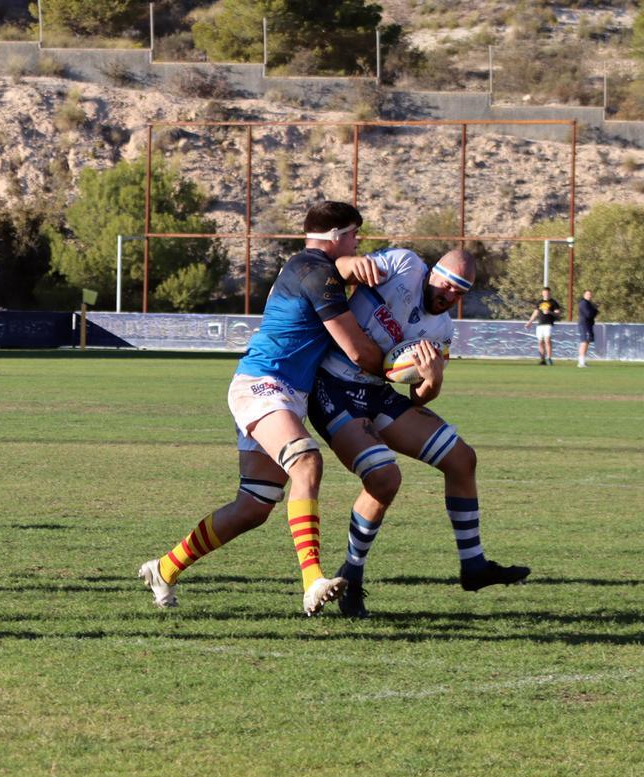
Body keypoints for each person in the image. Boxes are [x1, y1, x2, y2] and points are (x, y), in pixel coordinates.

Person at [138, 201, 385, 616]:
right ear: (339, 235)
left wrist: (353, 269)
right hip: (263, 384)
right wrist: (406, 364)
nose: (359, 243)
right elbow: (359, 352)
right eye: (356, 235)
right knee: (306, 462)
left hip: (278, 390)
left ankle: (164, 569)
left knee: (253, 506)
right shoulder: (315, 271)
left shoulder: (312, 267)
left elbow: (336, 274)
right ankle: (312, 581)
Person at [307, 248, 531, 618]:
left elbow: (418, 394)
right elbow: (341, 271)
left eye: (461, 292)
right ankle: (352, 574)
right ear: (433, 272)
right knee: (383, 478)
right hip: (332, 385)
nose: (451, 297)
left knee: (462, 458)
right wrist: (350, 264)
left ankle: (473, 565)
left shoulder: (442, 329)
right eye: (448, 285)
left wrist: (433, 378)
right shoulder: (404, 265)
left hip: (377, 392)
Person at [525, 286, 563, 365]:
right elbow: (535, 313)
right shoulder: (539, 302)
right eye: (544, 292)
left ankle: (549, 358)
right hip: (540, 324)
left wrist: (550, 312)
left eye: (547, 293)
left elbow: (558, 314)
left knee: (547, 341)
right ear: (542, 293)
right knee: (540, 342)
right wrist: (530, 322)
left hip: (548, 324)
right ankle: (542, 360)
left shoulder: (553, 302)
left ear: (550, 293)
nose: (546, 294)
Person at [577, 289, 598, 368]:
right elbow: (588, 314)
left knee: (587, 342)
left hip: (588, 325)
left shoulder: (588, 303)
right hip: (584, 325)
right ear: (584, 295)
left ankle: (583, 361)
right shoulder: (583, 303)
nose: (589, 295)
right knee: (584, 342)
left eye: (590, 294)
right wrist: (595, 309)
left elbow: (592, 314)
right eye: (587, 294)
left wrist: (595, 309)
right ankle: (581, 362)